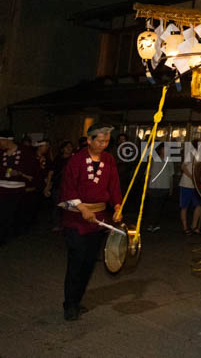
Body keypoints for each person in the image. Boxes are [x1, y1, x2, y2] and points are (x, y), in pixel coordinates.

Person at [60, 125, 122, 321]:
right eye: (100, 141)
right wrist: (82, 208)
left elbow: (114, 185)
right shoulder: (76, 160)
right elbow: (68, 188)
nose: (104, 145)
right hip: (76, 219)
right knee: (76, 261)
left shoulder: (109, 159)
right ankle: (69, 304)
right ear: (89, 140)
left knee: (88, 263)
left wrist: (118, 205)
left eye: (106, 142)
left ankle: (77, 300)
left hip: (99, 219)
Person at [1, 130, 40, 243]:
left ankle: (11, 234)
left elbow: (32, 170)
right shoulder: (1, 153)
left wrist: (29, 182)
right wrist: (8, 172)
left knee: (14, 213)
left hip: (18, 189)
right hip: (2, 188)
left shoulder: (25, 152)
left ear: (6, 140)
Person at [145, 142, 173, 232]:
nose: (165, 151)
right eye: (163, 149)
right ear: (160, 149)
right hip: (153, 186)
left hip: (164, 187)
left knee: (160, 207)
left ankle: (156, 224)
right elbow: (148, 174)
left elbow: (171, 175)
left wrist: (171, 188)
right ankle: (151, 224)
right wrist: (146, 186)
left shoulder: (169, 160)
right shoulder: (153, 159)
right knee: (152, 206)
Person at [50, 140, 74, 233]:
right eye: (67, 146)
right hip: (57, 185)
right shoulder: (58, 159)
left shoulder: (74, 159)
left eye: (70, 146)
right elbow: (51, 172)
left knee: (68, 207)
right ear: (62, 149)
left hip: (69, 187)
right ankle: (57, 223)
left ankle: (67, 225)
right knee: (57, 205)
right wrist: (48, 185)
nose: (69, 148)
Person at [179, 144, 201, 234]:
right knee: (184, 206)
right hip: (186, 184)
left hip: (197, 186)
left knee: (198, 206)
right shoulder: (191, 153)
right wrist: (192, 177)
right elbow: (183, 167)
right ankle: (185, 227)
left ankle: (194, 225)